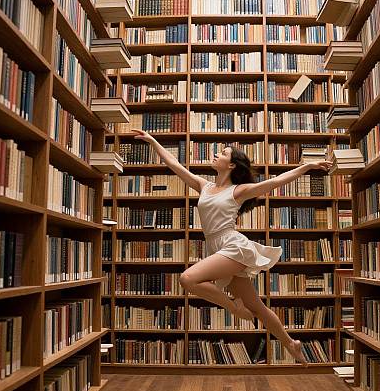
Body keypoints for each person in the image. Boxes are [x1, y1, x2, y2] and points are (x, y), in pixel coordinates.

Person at [132, 129, 332, 364]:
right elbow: (174, 164)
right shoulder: (203, 186)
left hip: (232, 246)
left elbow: (276, 181)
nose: (216, 154)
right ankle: (291, 343)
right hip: (217, 249)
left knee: (187, 279)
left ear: (232, 165)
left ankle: (235, 309)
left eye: (223, 153)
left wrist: (307, 167)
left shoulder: (238, 191)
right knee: (256, 307)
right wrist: (154, 142)